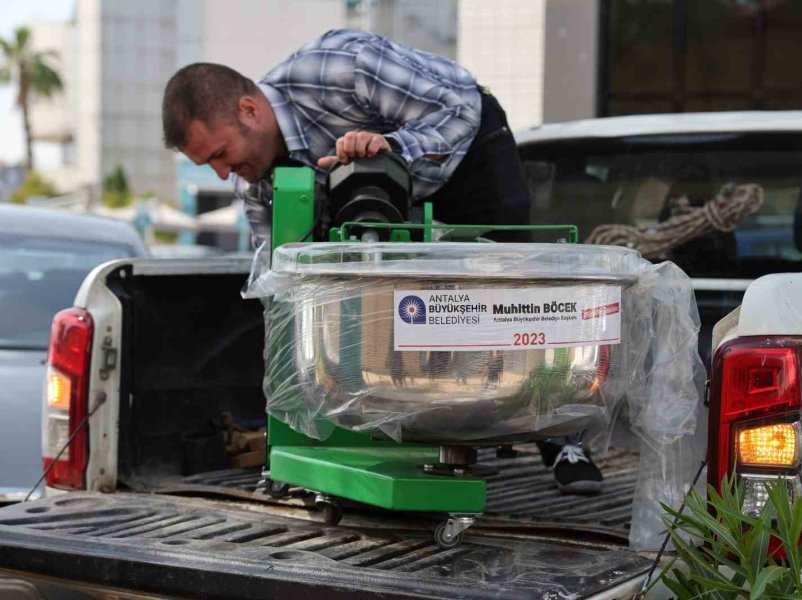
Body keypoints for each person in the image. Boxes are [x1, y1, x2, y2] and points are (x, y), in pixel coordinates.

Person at [161, 28, 603, 494]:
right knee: (399, 313)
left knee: (507, 292)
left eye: (220, 154)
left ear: (249, 111)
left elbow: (457, 111)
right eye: (208, 165)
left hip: (464, 153)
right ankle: (411, 429)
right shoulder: (253, 184)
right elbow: (281, 291)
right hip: (379, 197)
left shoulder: (338, 68)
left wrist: (391, 152)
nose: (222, 173)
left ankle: (563, 437)